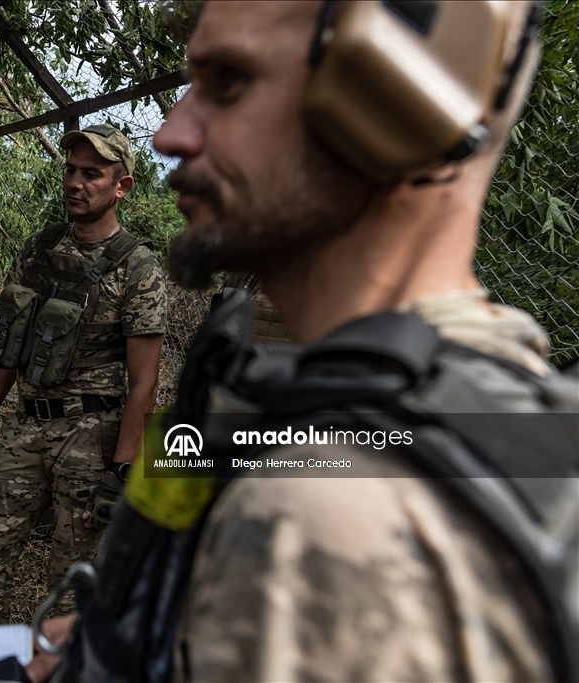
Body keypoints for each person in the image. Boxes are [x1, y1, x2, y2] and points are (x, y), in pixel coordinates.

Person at [28, 2, 577, 682]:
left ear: (394, 104)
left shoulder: (321, 519)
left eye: (229, 82)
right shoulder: (507, 402)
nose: (172, 133)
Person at [0, 124, 168, 626]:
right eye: (70, 170)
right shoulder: (38, 248)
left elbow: (145, 381)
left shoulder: (138, 267)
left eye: (91, 174)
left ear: (122, 186)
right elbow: (10, 342)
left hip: (89, 437)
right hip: (26, 428)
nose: (75, 182)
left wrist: (121, 470)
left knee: (71, 582)